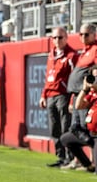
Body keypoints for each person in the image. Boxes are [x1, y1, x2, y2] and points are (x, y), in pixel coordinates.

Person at [39, 27, 77, 167]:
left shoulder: (71, 55)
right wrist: (43, 95)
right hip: (50, 96)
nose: (57, 41)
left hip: (63, 95)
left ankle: (70, 156)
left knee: (65, 127)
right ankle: (60, 156)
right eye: (54, 38)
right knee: (54, 128)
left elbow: (75, 79)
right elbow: (48, 77)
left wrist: (72, 98)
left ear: (66, 38)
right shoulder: (51, 55)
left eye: (60, 37)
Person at [60, 66, 97, 173]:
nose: (94, 80)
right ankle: (88, 165)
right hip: (90, 134)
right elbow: (79, 105)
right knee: (66, 139)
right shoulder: (92, 93)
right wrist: (85, 89)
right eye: (93, 77)